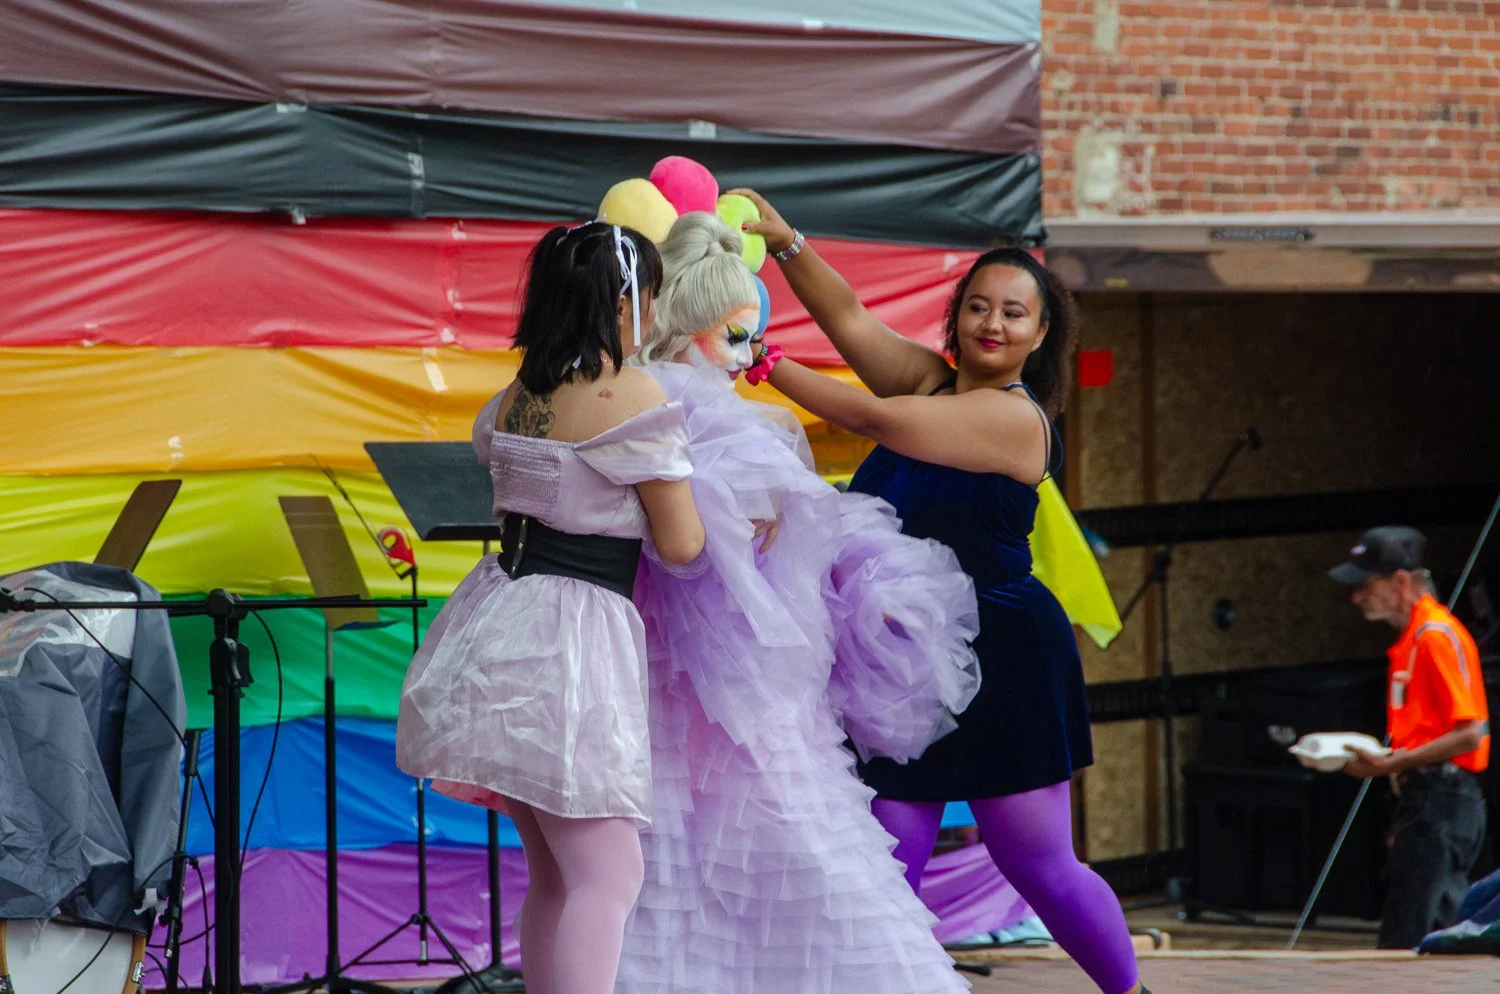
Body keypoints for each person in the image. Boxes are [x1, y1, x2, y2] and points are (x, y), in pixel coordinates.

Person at [728, 189, 1147, 994]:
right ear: (955, 317)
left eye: (1014, 314)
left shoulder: (1017, 421)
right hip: (900, 662)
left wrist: (768, 364)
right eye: (978, 307)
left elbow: (876, 420)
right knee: (881, 864)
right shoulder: (930, 381)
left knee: (1041, 866)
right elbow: (848, 318)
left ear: (1040, 333)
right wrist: (785, 242)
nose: (993, 324)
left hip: (1005, 656)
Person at [616, 212, 982, 994]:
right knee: (793, 834)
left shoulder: (633, 402)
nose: (748, 356)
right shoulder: (724, 422)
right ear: (690, 326)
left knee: (674, 846)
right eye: (736, 337)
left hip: (661, 665)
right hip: (737, 675)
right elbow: (762, 560)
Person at [395, 221, 705, 994]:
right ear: (625, 299)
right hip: (573, 640)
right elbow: (682, 545)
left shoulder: (517, 393)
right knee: (609, 875)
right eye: (651, 299)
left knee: (557, 875)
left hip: (502, 617)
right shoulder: (630, 392)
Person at [1330, 525, 1490, 949]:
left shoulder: (1435, 637)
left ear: (1400, 581)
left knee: (1413, 938)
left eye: (1366, 585)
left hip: (1443, 798)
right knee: (1422, 927)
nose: (1357, 597)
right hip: (1425, 800)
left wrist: (1390, 764)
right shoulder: (1415, 640)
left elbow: (1470, 733)